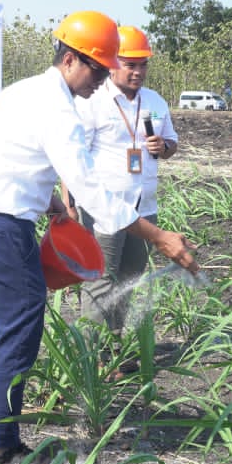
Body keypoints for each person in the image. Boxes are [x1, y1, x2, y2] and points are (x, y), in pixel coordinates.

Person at [0, 11, 200, 464]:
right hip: (3, 225)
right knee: (20, 326)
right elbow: (92, 188)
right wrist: (158, 236)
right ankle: (3, 447)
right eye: (99, 69)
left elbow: (11, 157)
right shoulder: (59, 108)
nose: (103, 81)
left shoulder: (22, 90)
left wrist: (50, 204)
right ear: (72, 59)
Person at [67, 26, 187, 377]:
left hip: (142, 208)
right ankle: (91, 357)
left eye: (142, 64)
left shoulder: (155, 102)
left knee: (129, 279)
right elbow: (72, 157)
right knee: (100, 281)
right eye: (129, 63)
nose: (136, 71)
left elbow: (173, 142)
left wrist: (163, 148)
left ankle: (114, 352)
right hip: (102, 207)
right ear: (112, 62)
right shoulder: (92, 99)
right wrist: (69, 206)